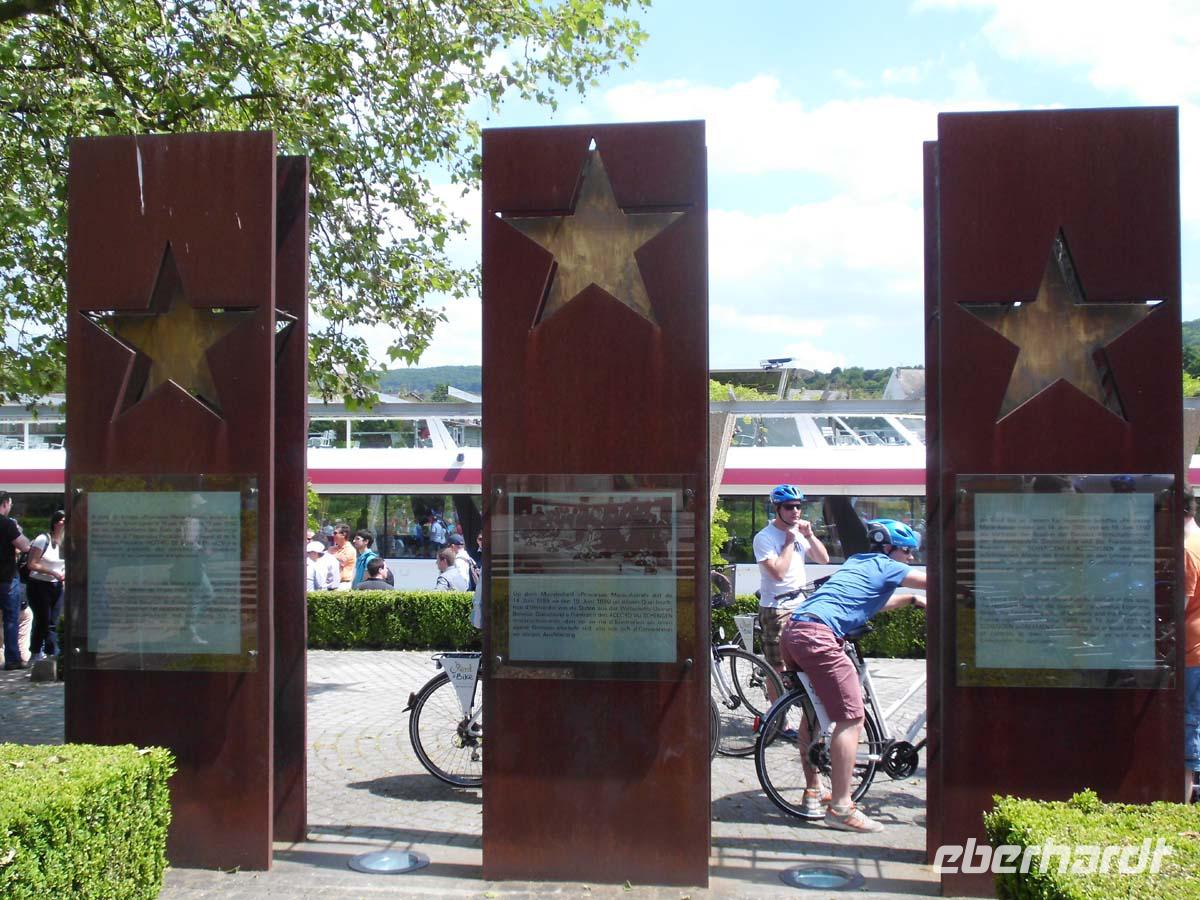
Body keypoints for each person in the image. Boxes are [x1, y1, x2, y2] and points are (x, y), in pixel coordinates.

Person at [781, 518, 927, 833]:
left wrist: (913, 600)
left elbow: (875, 601)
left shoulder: (859, 563)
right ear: (890, 550)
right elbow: (931, 580)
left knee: (814, 714)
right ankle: (842, 807)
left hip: (795, 631)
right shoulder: (890, 566)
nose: (912, 558)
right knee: (851, 718)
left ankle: (815, 788)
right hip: (820, 636)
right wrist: (974, 585)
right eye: (908, 551)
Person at [753, 485, 829, 692]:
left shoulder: (800, 533)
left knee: (803, 662)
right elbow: (778, 573)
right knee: (777, 668)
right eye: (789, 507)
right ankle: (778, 720)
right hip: (776, 607)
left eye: (798, 506)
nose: (795, 511)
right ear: (777, 508)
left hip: (801, 606)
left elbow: (823, 559)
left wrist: (810, 536)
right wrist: (788, 543)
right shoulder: (764, 537)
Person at [25, 510, 65, 660]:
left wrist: (63, 574)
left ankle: (51, 654)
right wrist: (52, 573)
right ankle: (36, 652)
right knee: (43, 620)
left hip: (57, 586)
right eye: (63, 520)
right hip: (39, 585)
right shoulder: (43, 539)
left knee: (53, 621)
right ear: (56, 523)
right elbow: (32, 564)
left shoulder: (65, 541)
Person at [0, 492, 31, 670]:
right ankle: (12, 659)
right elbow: (24, 546)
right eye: (10, 504)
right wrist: (19, 532)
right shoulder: (7, 524)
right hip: (6, 578)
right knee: (11, 619)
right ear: (5, 504)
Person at [1184, 488, 1200, 802]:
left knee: (1188, 727)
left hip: (1189, 655)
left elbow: (1178, 608)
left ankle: (1181, 805)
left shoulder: (1186, 549)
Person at [329, 524, 356, 590]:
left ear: (343, 534)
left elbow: (340, 562)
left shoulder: (350, 549)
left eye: (335, 533)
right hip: (330, 583)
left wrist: (329, 556)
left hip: (343, 584)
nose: (333, 535)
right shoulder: (331, 549)